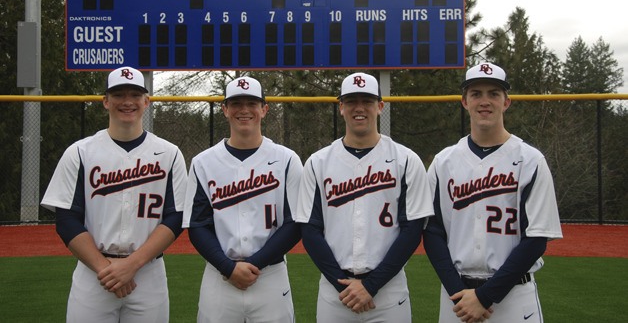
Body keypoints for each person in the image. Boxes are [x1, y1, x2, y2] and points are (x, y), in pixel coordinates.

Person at [41, 66, 188, 323]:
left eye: (135, 95)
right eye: (119, 95)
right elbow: (67, 220)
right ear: (106, 101)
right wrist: (105, 269)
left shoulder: (169, 153)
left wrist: (132, 264)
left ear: (146, 101)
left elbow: (175, 217)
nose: (127, 101)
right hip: (94, 273)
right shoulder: (80, 152)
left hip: (148, 273)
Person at [423, 62, 563, 323]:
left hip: (514, 296)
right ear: (465, 101)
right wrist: (458, 292)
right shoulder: (444, 162)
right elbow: (432, 231)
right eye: (476, 94)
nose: (484, 101)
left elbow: (536, 238)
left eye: (494, 94)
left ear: (506, 102)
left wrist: (485, 296)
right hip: (457, 297)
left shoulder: (530, 160)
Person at [295, 72, 434, 322]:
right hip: (335, 292)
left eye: (367, 101)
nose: (359, 108)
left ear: (380, 106)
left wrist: (371, 285)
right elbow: (310, 230)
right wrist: (344, 286)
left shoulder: (406, 160)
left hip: (389, 292)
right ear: (341, 107)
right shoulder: (318, 162)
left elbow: (412, 230)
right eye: (351, 101)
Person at [182, 76, 303, 323]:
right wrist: (228, 267)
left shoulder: (287, 160)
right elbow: (197, 225)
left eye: (252, 103)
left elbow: (294, 224)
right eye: (236, 103)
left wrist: (255, 263)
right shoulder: (203, 162)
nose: (244, 110)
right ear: (225, 109)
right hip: (219, 276)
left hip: (270, 275)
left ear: (264, 109)